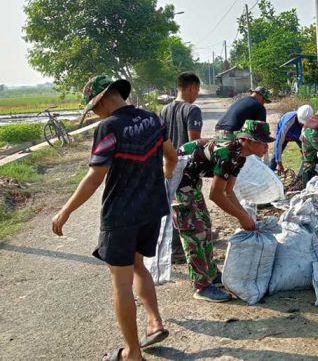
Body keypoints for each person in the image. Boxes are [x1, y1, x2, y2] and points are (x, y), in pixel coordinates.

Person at [52, 76, 177, 361]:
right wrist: (164, 178)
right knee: (138, 265)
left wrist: (66, 210)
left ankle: (132, 353)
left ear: (105, 97)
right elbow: (170, 156)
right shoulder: (152, 119)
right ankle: (155, 323)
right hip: (151, 209)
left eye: (94, 106)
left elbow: (95, 175)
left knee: (120, 282)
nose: (95, 112)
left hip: (121, 216)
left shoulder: (109, 127)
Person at [173, 120, 274, 303]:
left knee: (205, 224)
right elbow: (215, 195)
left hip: (191, 179)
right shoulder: (228, 153)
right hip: (176, 178)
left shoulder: (240, 156)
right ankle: (201, 286)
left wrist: (245, 216)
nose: (266, 147)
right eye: (262, 142)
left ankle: (211, 274)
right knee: (194, 231)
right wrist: (242, 217)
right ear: (247, 141)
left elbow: (229, 191)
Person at [159, 72, 203, 263]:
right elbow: (194, 143)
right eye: (198, 90)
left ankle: (172, 246)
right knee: (188, 210)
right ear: (192, 87)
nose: (197, 94)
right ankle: (179, 249)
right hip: (185, 167)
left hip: (168, 165)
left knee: (172, 206)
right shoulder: (192, 110)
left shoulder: (163, 110)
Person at [270, 104, 313, 173]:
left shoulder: (310, 122)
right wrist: (279, 162)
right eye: (301, 123)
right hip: (285, 135)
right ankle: (271, 172)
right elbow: (279, 143)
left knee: (308, 154)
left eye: (304, 124)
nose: (302, 125)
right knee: (275, 157)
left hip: (299, 135)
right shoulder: (288, 122)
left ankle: (307, 173)